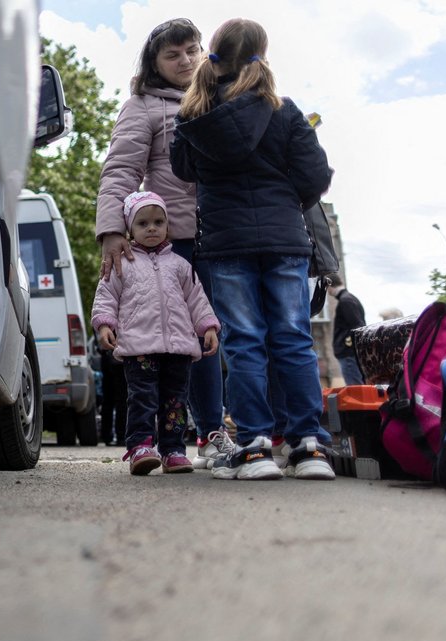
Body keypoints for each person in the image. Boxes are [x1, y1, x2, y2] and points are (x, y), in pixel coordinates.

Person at [170, 17, 335, 480]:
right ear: (262, 55)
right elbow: (316, 176)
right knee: (295, 340)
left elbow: (182, 169)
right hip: (286, 242)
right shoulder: (285, 111)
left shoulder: (194, 114)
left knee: (243, 344)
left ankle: (255, 447)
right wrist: (285, 202)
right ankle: (308, 447)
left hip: (225, 244)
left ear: (213, 56)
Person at [95, 17, 227, 468]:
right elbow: (120, 172)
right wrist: (113, 230)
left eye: (192, 49)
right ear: (155, 63)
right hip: (181, 244)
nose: (185, 60)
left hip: (231, 237)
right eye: (172, 54)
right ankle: (208, 434)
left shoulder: (223, 94)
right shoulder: (144, 106)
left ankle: (258, 432)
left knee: (235, 337)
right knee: (197, 340)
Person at [92, 191, 220, 475]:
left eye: (158, 222)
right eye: (143, 223)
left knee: (175, 401)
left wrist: (208, 326)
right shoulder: (121, 263)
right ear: (129, 228)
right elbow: (105, 295)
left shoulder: (180, 265)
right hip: (139, 348)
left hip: (178, 349)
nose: (152, 228)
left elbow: (197, 299)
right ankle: (140, 446)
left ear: (167, 226)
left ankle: (173, 450)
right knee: (142, 397)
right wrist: (104, 323)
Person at [326, 272, 366, 385]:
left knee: (355, 389)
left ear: (329, 285)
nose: (327, 292)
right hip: (350, 353)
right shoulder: (348, 299)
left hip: (349, 354)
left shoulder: (346, 301)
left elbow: (358, 327)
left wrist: (349, 345)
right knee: (356, 387)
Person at [99, 347, 127, 445]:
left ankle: (106, 435)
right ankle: (121, 435)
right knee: (122, 399)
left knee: (108, 399)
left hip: (107, 356)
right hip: (121, 358)